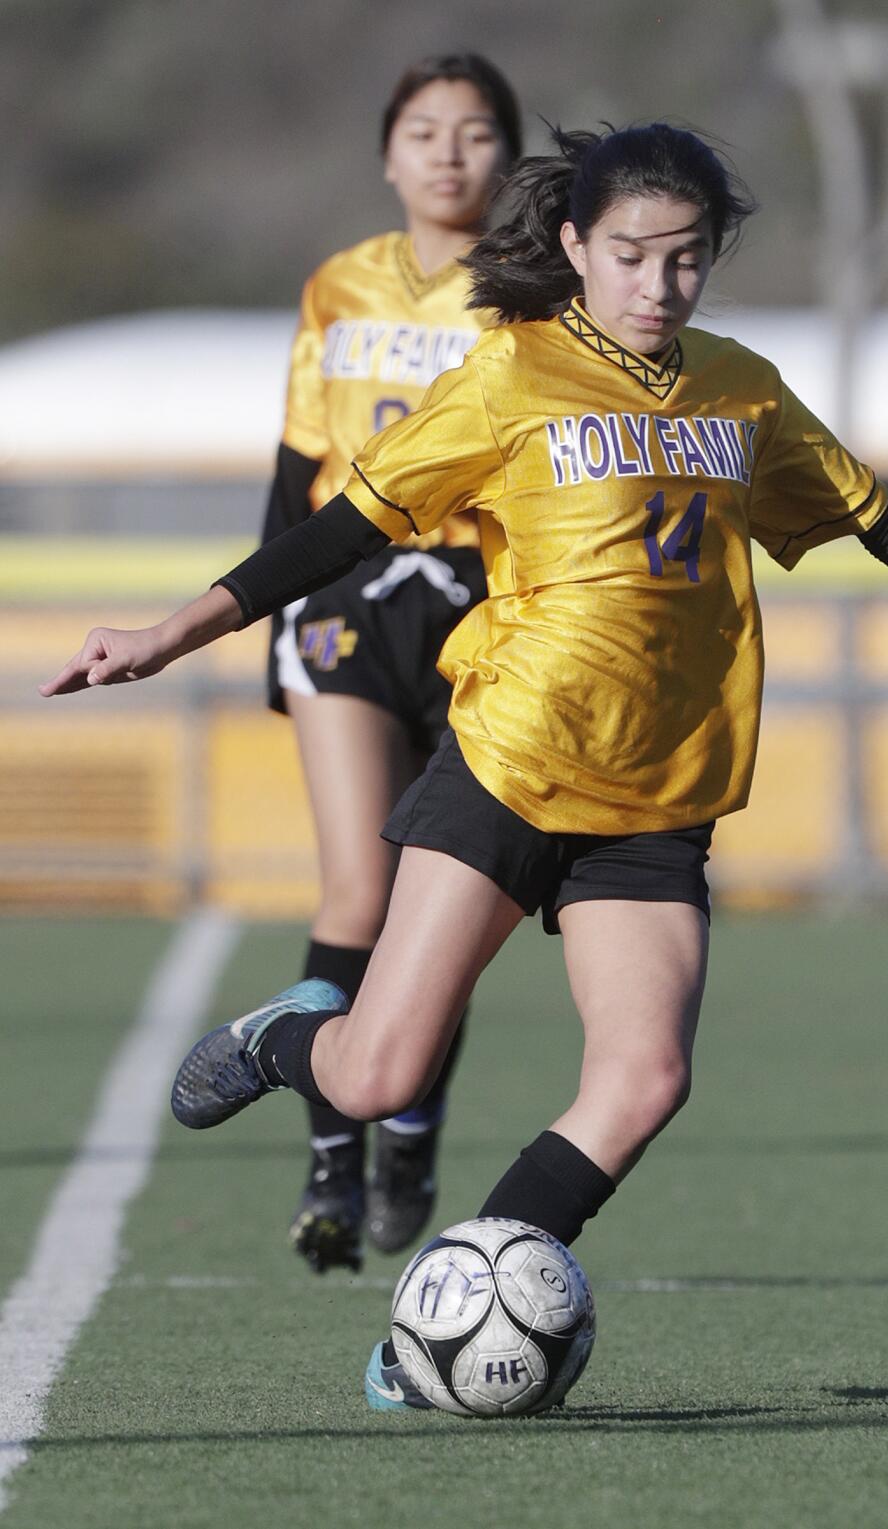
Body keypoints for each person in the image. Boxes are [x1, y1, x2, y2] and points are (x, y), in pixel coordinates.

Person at [41, 122, 888, 1412]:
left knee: (644, 1080)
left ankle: (435, 1320)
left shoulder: (741, 388)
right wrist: (171, 634)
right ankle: (293, 1035)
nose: (659, 284)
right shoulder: (512, 375)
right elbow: (341, 526)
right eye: (631, 255)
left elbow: (874, 513)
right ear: (573, 245)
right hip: (511, 764)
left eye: (686, 259)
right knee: (380, 1074)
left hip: (661, 795)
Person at [258, 54, 521, 1274]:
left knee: (437, 909)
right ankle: (331, 1161)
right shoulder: (339, 284)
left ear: (507, 157)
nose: (448, 153)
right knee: (356, 894)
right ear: (387, 151)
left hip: (481, 600)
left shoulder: (534, 289)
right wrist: (270, 615)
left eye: (474, 133)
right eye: (424, 130)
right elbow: (295, 455)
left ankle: (409, 1123)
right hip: (348, 593)